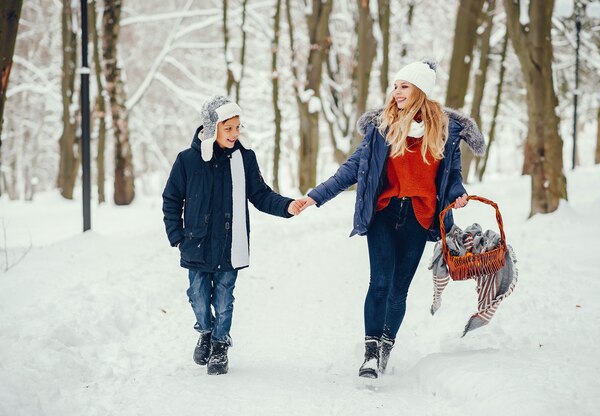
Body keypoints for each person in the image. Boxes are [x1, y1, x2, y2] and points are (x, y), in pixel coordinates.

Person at [298, 61, 485, 378]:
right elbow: (351, 169)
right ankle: (370, 353)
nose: (396, 92)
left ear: (420, 91)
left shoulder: (446, 131)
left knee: (399, 289)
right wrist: (315, 196)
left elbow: (452, 176)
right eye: (396, 86)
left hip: (419, 217)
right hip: (384, 214)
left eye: (404, 86)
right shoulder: (382, 127)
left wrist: (459, 193)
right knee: (380, 282)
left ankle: (386, 346)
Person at [162, 95, 304, 375]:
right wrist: (177, 236)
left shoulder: (244, 159)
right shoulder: (187, 160)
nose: (235, 134)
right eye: (229, 128)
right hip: (196, 244)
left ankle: (219, 345)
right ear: (212, 127)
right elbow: (171, 199)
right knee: (198, 296)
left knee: (224, 299)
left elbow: (260, 194)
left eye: (238, 127)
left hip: (231, 243)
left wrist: (287, 206)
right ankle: (205, 331)